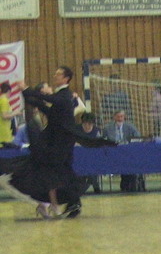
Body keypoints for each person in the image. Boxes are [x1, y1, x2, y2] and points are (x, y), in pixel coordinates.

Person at [0, 66, 114, 218]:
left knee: (56, 173)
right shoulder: (61, 96)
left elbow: (50, 100)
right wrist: (28, 95)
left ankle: (57, 204)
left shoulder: (65, 95)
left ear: (66, 78)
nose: (55, 76)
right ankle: (54, 204)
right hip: (55, 144)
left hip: (61, 145)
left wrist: (27, 89)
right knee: (52, 173)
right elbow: (49, 110)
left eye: (58, 74)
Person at [103, 110, 142, 192]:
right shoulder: (107, 128)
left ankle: (129, 185)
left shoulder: (130, 126)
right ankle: (125, 184)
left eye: (121, 116)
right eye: (118, 116)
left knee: (130, 162)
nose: (120, 119)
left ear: (124, 117)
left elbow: (137, 136)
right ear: (114, 117)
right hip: (113, 153)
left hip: (127, 152)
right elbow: (103, 139)